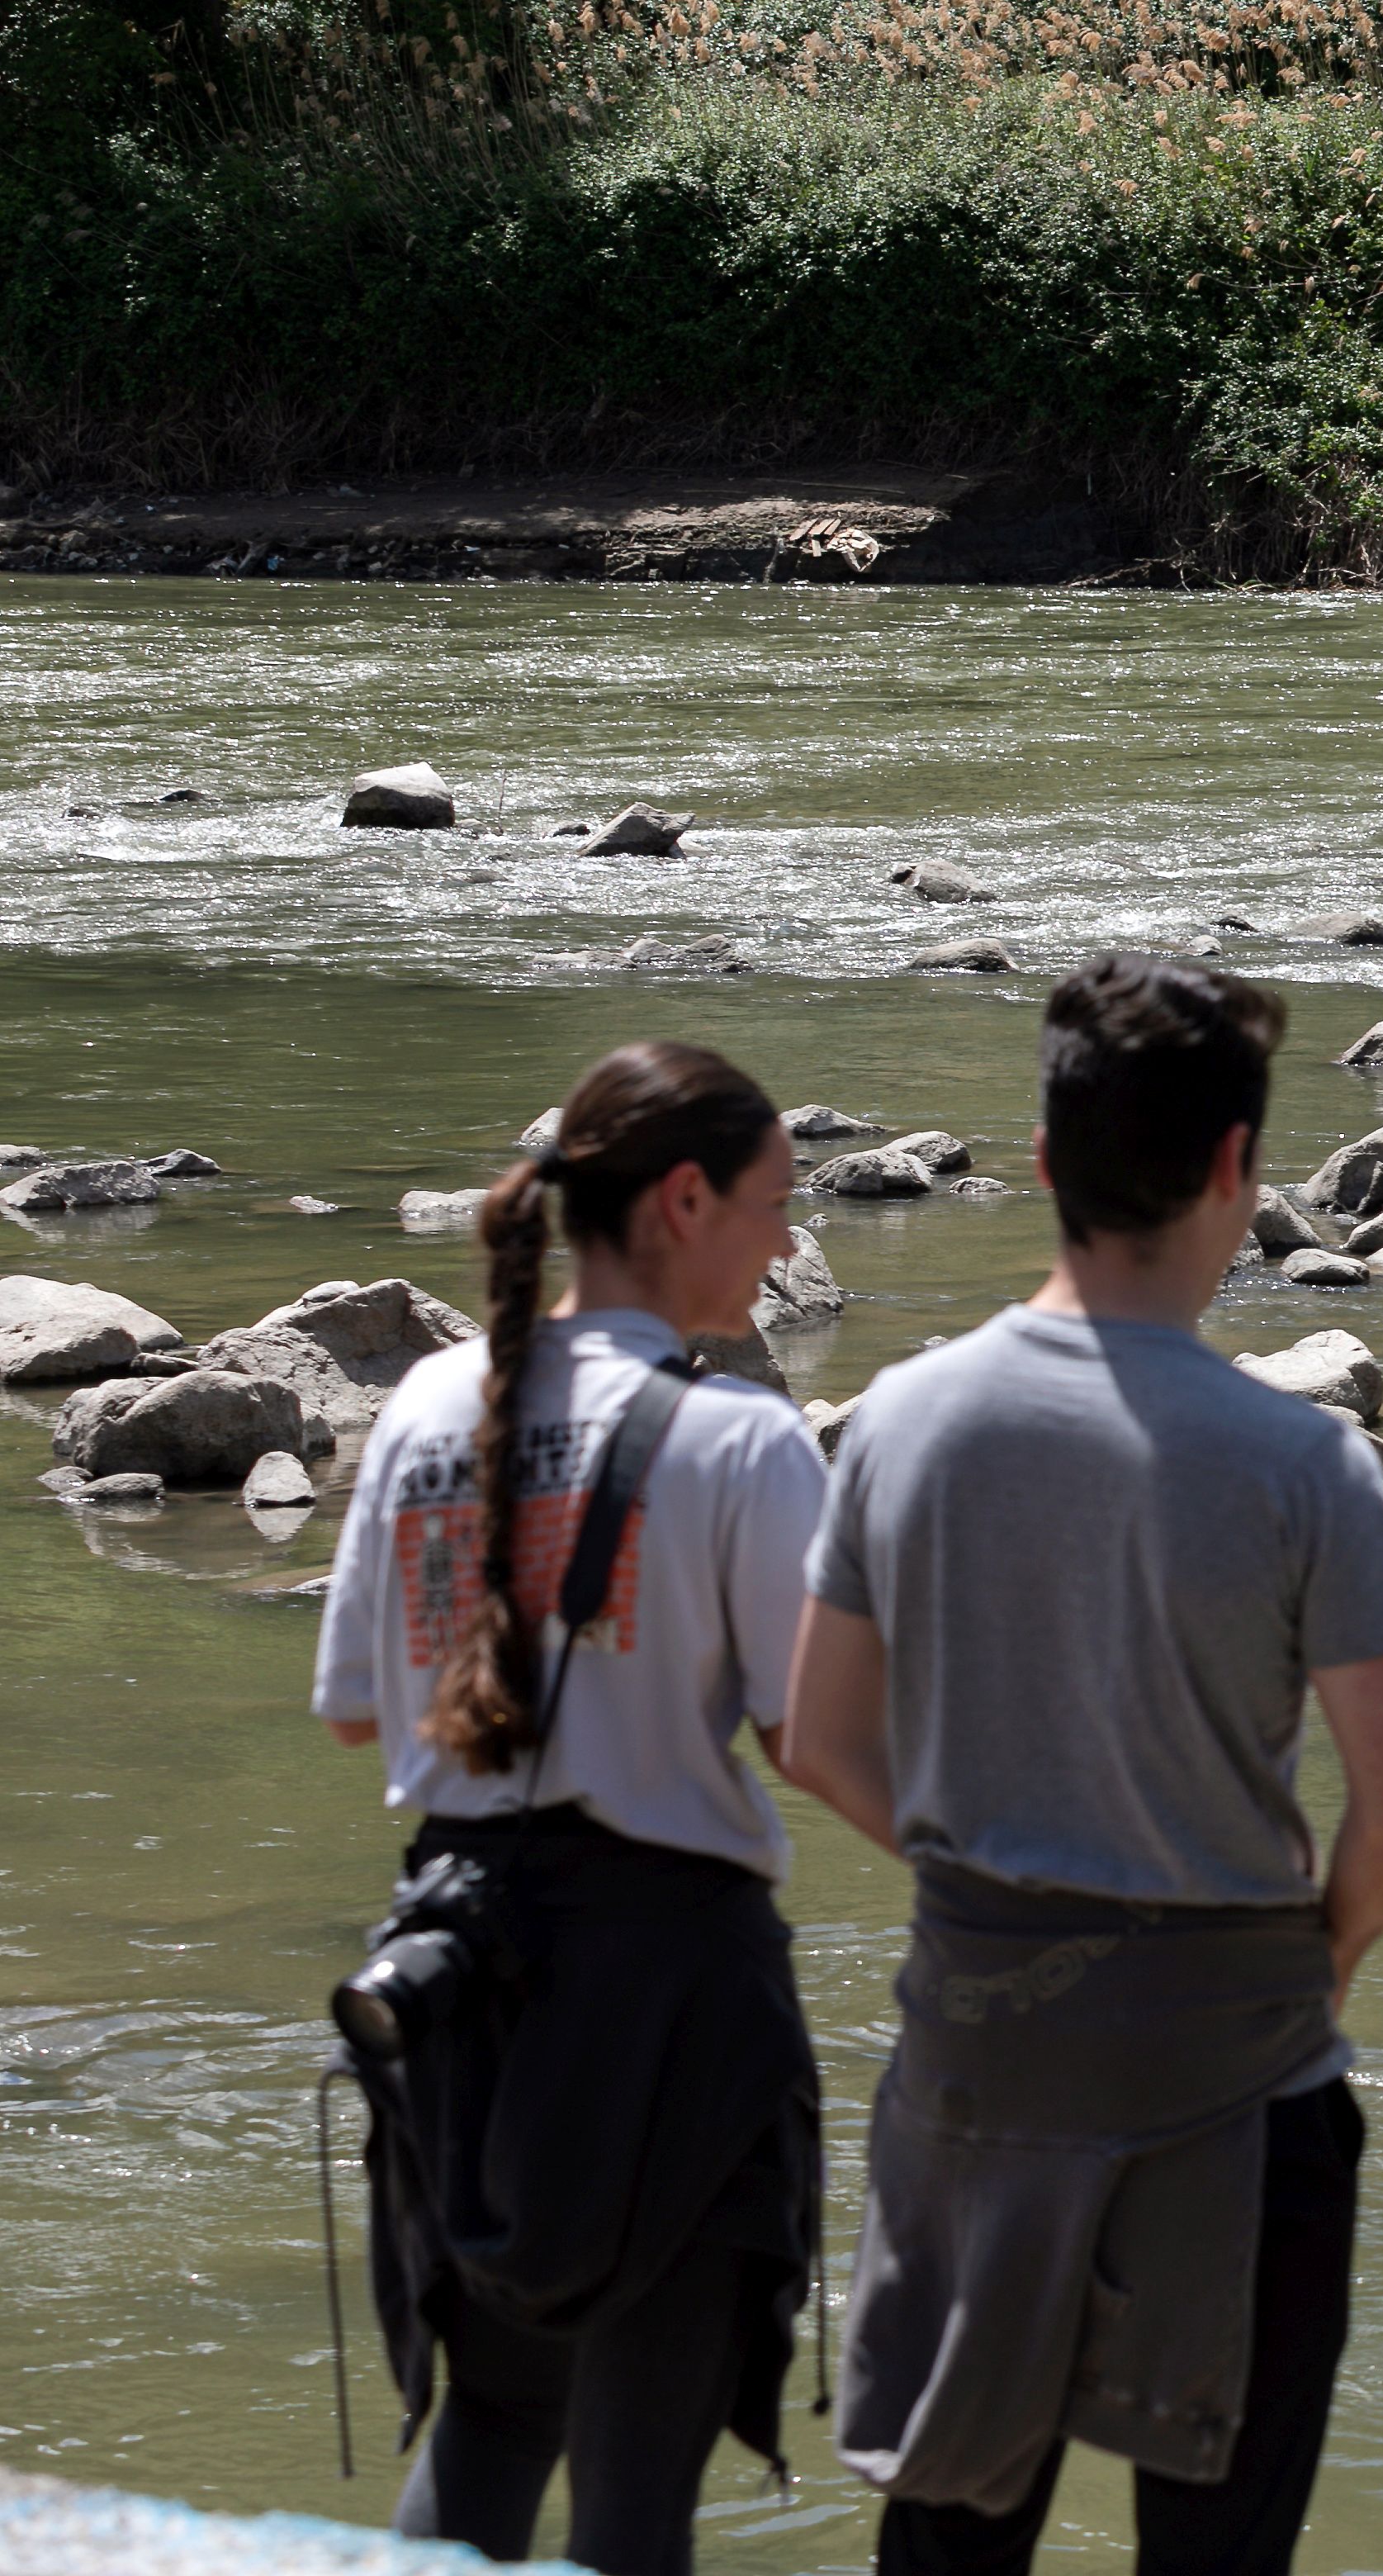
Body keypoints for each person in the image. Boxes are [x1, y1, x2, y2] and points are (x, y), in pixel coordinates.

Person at [779, 951, 1383, 2576]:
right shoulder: (1304, 1463)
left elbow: (814, 1740)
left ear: (1042, 1162)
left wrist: (981, 1875)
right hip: (1238, 2089)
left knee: (946, 2542)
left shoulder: (907, 1421)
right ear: (1237, 1170)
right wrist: (1314, 1967)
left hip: (980, 2070)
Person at [310, 1041, 831, 2576]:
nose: (789, 1242)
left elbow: (355, 1709)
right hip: (671, 2003)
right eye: (775, 1204)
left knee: (487, 2425)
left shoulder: (420, 1406)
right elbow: (814, 1741)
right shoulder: (737, 1433)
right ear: (683, 1200)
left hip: (453, 1982)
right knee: (635, 2495)